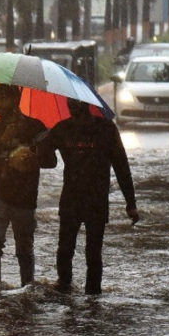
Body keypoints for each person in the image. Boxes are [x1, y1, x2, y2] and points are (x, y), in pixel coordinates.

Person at [36, 99, 139, 295]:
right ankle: (64, 288)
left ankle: (92, 295)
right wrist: (41, 143)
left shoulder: (106, 128)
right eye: (71, 104)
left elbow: (121, 166)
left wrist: (131, 203)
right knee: (65, 249)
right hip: (72, 199)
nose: (74, 107)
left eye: (77, 104)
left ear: (87, 105)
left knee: (93, 253)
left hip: (96, 201)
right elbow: (47, 161)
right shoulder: (62, 128)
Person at [0, 84, 52, 288]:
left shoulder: (36, 127)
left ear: (16, 101)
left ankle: (27, 288)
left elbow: (51, 160)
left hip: (25, 196)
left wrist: (32, 156)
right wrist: (3, 141)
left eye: (4, 100)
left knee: (24, 249)